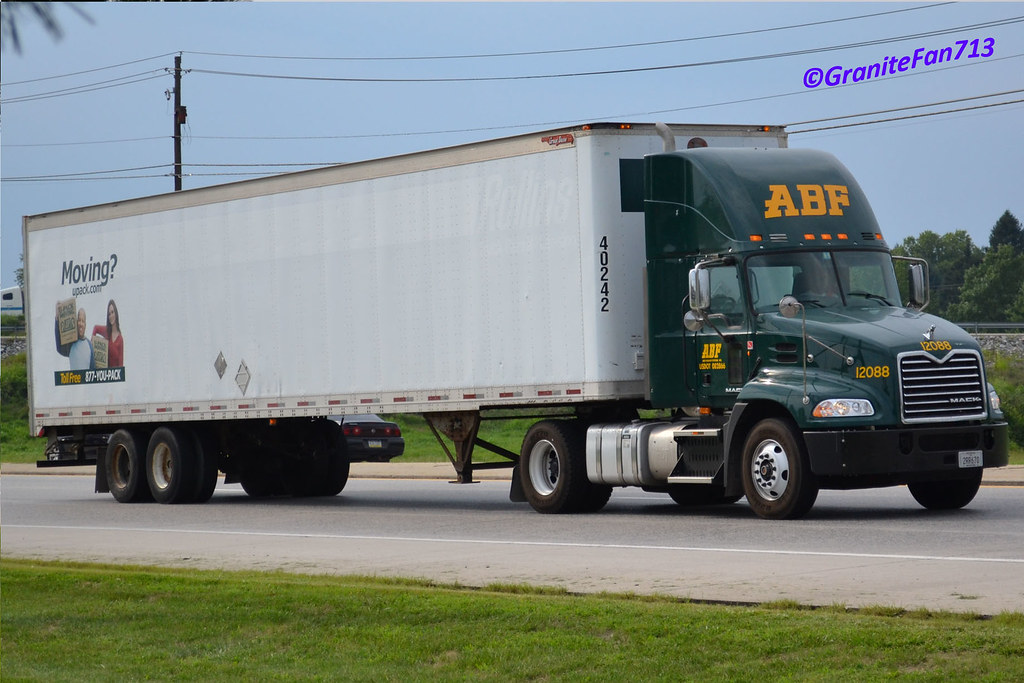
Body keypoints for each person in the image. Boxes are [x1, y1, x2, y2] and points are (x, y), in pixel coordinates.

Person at [92, 299, 124, 367]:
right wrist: (92, 342)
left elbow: (121, 365)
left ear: (116, 313)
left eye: (112, 312)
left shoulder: (120, 339)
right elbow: (96, 328)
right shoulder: (106, 331)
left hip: (114, 376)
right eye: (109, 314)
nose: (111, 316)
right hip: (104, 374)